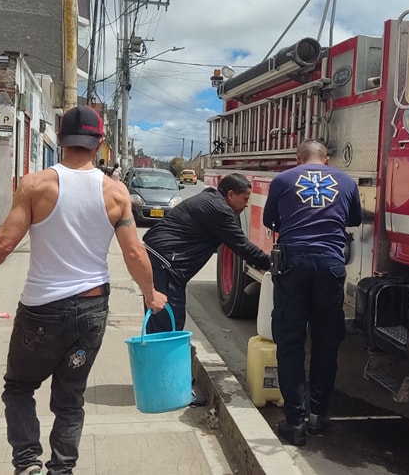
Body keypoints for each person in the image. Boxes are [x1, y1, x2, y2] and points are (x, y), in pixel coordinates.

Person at [0, 105, 167, 475]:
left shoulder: (36, 185)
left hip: (41, 311)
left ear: (60, 139)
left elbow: (3, 243)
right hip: (91, 311)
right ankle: (61, 470)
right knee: (70, 400)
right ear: (100, 143)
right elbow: (134, 252)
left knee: (20, 388)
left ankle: (27, 464)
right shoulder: (116, 193)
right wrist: (150, 294)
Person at [262, 139, 362, 447]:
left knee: (290, 343)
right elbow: (354, 219)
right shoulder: (347, 181)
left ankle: (296, 424)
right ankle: (318, 416)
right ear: (327, 159)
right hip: (331, 265)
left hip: (293, 265)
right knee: (325, 342)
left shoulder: (282, 180)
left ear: (298, 158)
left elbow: (269, 221)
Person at [142, 173, 271, 404]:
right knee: (168, 327)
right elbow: (240, 244)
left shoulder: (211, 201)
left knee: (160, 325)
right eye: (245, 199)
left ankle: (158, 383)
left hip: (161, 260)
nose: (246, 204)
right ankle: (172, 390)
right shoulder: (219, 210)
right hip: (165, 263)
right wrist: (271, 264)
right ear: (230, 195)